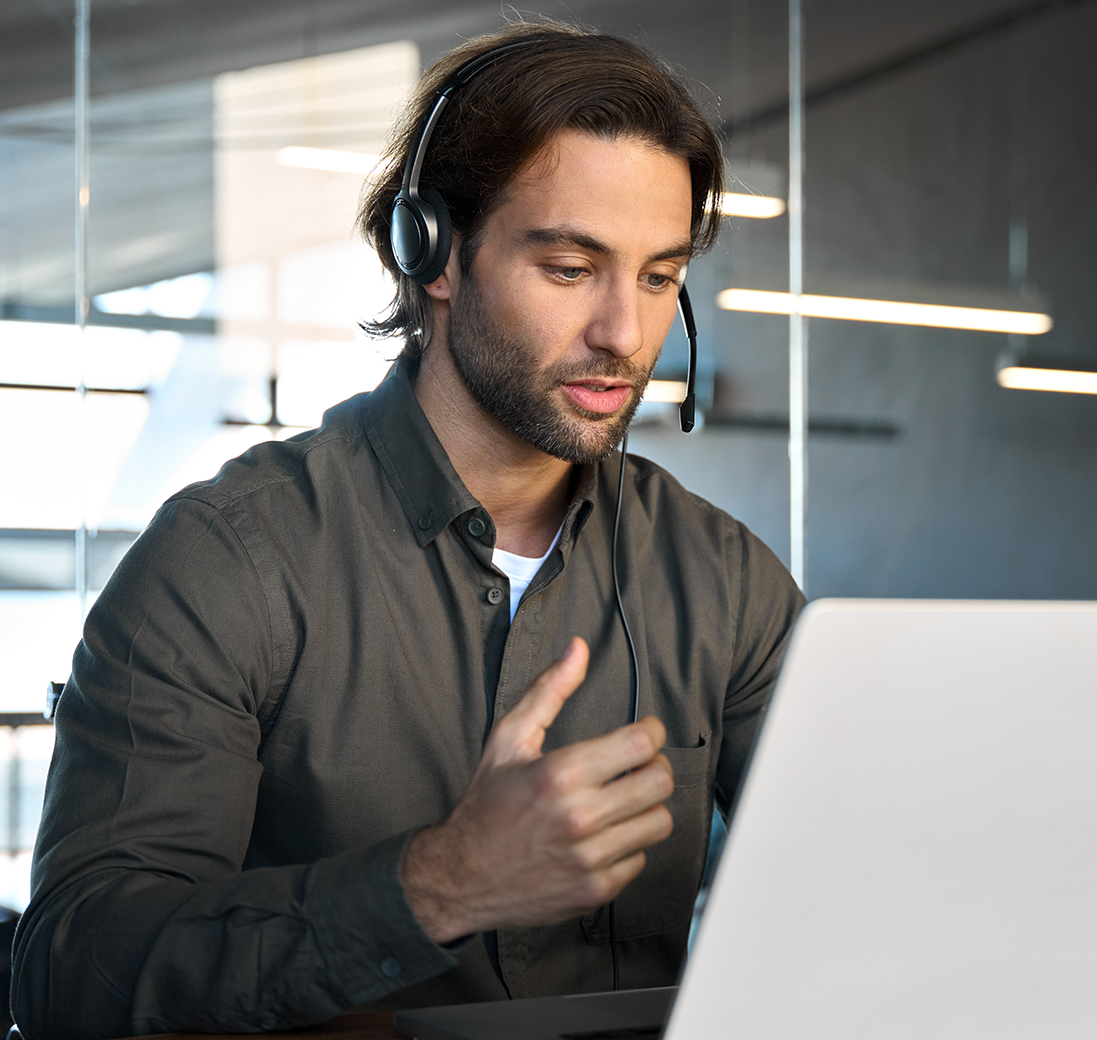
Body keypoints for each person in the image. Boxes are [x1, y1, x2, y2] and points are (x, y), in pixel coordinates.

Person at [10, 22, 803, 1039]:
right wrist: (436, 883)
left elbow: (867, 878)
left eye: (658, 277)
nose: (626, 333)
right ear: (432, 253)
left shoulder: (723, 578)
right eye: (570, 267)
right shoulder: (227, 560)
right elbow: (73, 974)